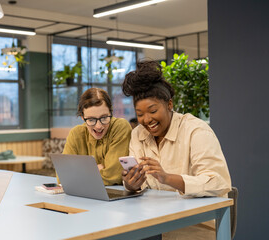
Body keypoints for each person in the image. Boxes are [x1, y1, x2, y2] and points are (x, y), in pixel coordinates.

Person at [121, 60, 231, 239]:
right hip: (151, 225)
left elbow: (218, 183)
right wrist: (131, 184)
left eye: (153, 110)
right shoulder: (138, 134)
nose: (147, 120)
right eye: (140, 114)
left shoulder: (196, 130)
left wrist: (168, 178)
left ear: (169, 105)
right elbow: (136, 186)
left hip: (194, 228)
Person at [61, 87, 132, 185]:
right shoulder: (76, 134)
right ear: (82, 117)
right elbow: (63, 177)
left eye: (104, 117)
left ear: (111, 113)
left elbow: (113, 176)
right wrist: (97, 169)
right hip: (83, 196)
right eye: (91, 120)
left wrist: (79, 174)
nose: (99, 126)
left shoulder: (120, 127)